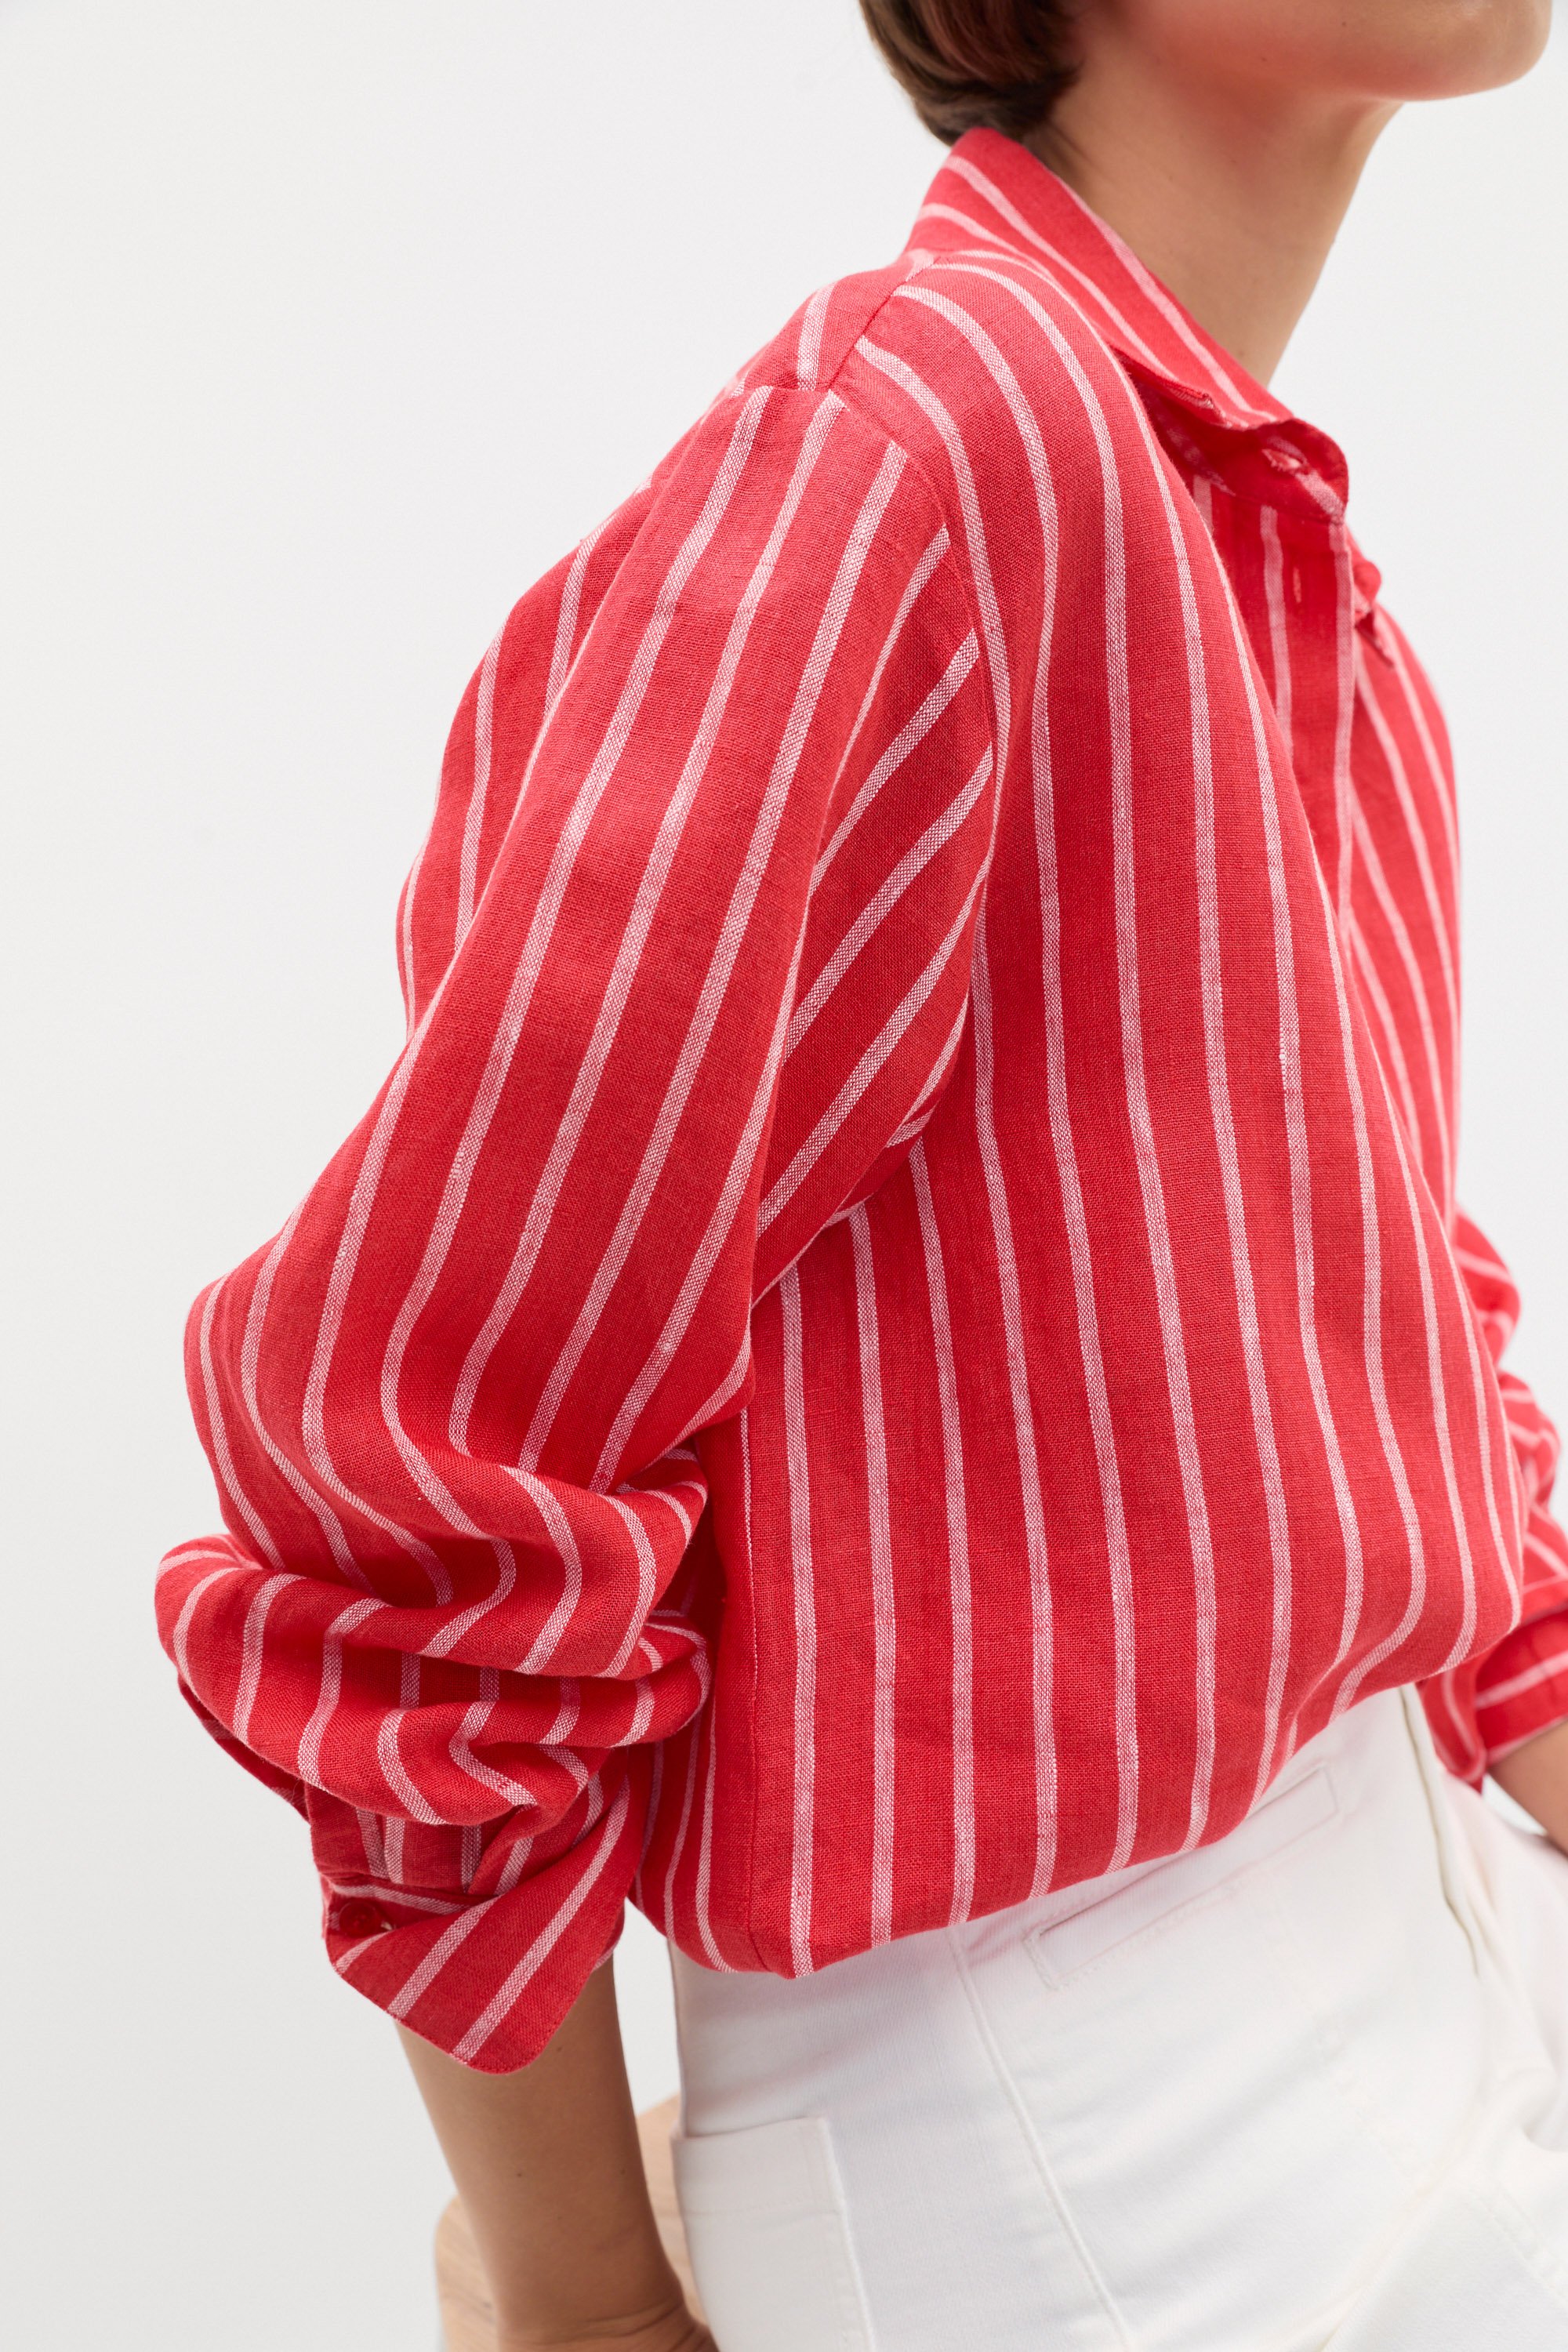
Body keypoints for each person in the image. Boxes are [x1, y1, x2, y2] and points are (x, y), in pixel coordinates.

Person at [156, 1, 1568, 2344]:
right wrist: (586, 2300)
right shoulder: (921, 448)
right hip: (1119, 2122)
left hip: (1406, 1934)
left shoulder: (1250, 543)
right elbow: (414, 1444)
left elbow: (1380, 1317)